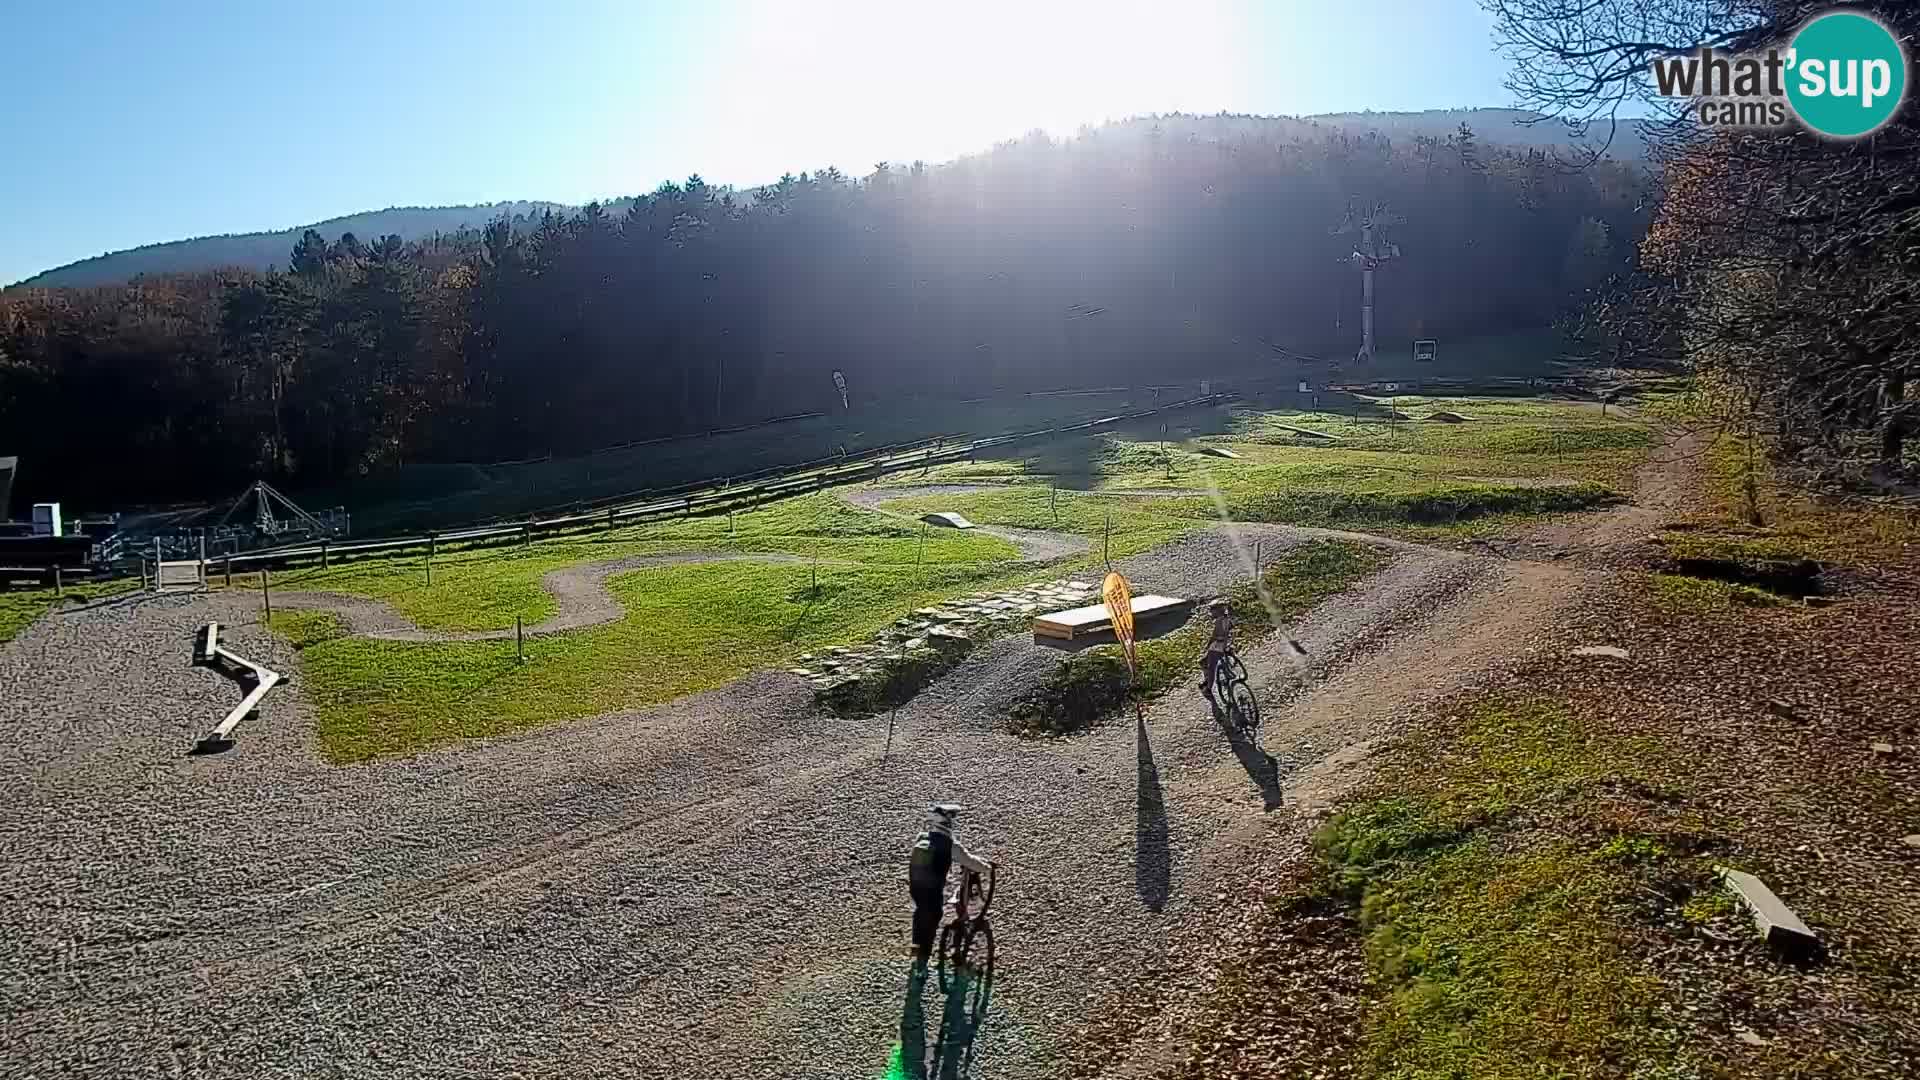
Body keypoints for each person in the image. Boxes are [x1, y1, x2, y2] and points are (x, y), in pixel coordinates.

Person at [908, 803, 992, 966]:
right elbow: (969, 861)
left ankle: (916, 944)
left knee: (921, 910)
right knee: (934, 916)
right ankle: (922, 961)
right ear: (946, 823)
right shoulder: (950, 844)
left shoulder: (922, 837)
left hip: (915, 885)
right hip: (933, 888)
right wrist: (987, 869)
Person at [1200, 596, 1234, 699]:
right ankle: (1226, 671)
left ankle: (1208, 688)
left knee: (1208, 665)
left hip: (1217, 646)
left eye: (1212, 610)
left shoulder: (1218, 621)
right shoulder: (1227, 618)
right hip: (1226, 643)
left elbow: (1214, 636)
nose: (1211, 613)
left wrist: (1207, 646)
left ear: (1217, 611)